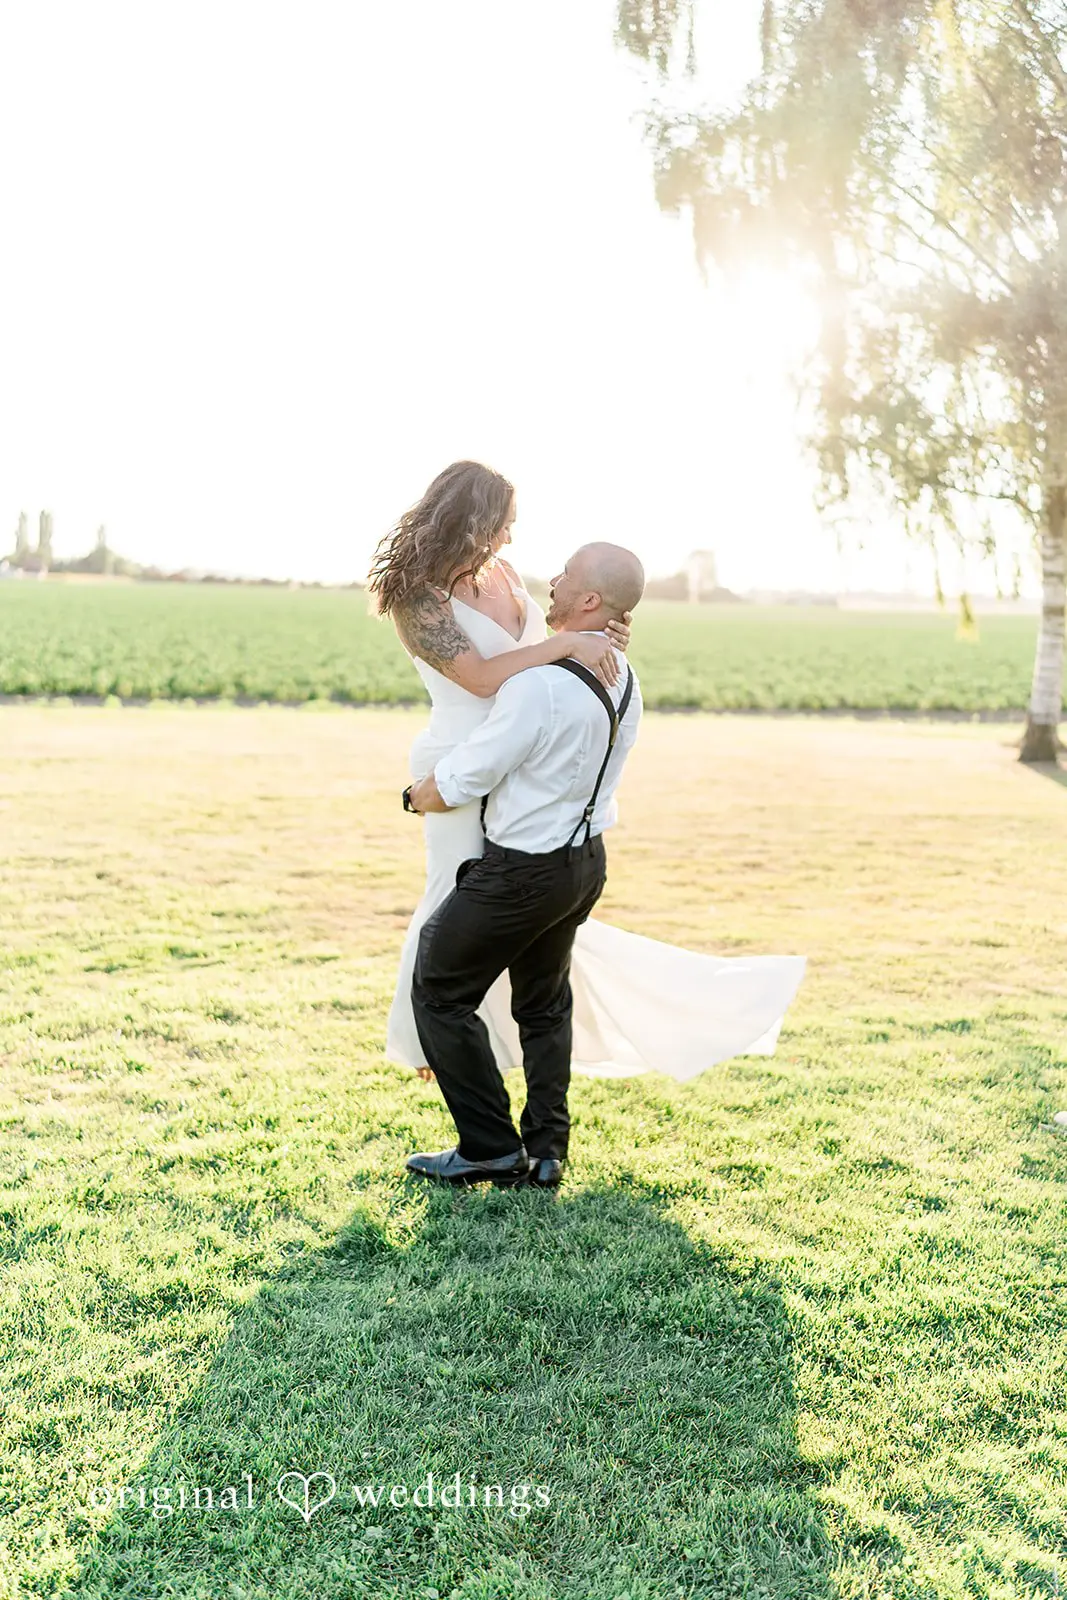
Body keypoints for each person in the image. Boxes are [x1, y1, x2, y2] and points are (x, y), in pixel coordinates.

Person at [368, 461, 806, 1167]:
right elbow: (481, 677)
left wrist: (590, 640)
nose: (512, 535)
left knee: (506, 916)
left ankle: (488, 1122)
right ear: (471, 517)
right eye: (504, 519)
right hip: (463, 755)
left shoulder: (505, 577)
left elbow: (554, 638)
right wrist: (572, 643)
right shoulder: (414, 598)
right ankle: (456, 1066)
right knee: (455, 900)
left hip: (525, 752)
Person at [402, 541, 645, 1188]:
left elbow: (472, 770)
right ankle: (545, 1150)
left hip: (522, 873)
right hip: (584, 863)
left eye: (566, 575)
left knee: (438, 987)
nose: (554, 580)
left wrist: (417, 794)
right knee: (542, 1006)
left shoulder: (535, 685)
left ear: (588, 600)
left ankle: (488, 1146)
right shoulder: (625, 676)